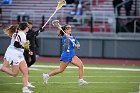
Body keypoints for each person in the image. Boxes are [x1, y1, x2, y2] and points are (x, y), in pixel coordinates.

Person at [0, 22, 34, 93]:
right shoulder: (20, 34)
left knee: (25, 71)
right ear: (25, 28)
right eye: (28, 27)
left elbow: (25, 45)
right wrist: (24, 47)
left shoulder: (23, 34)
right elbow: (16, 44)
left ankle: (25, 89)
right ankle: (1, 67)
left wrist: (28, 51)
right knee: (15, 74)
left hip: (19, 54)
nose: (29, 28)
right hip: (13, 54)